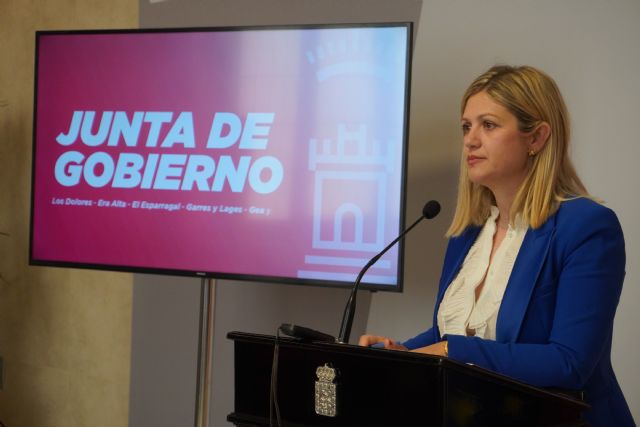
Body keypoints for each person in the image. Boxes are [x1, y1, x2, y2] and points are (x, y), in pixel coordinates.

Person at [360, 65, 634, 426]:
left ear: (536, 138)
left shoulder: (587, 227)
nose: (470, 140)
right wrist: (400, 352)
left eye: (488, 125)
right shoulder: (468, 233)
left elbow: (569, 362)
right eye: (466, 127)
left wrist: (450, 350)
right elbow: (450, 333)